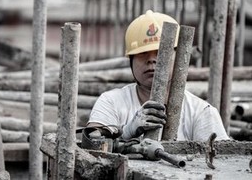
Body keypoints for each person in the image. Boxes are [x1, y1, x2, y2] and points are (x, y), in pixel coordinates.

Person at [87, 10, 230, 141]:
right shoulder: (111, 102)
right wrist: (126, 132)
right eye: (142, 53)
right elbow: (91, 145)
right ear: (131, 60)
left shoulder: (201, 112)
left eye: (161, 52)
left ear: (179, 57)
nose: (152, 60)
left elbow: (220, 162)